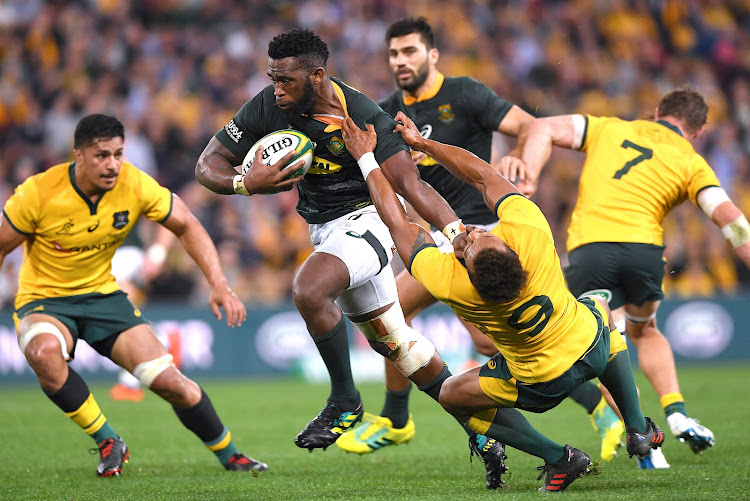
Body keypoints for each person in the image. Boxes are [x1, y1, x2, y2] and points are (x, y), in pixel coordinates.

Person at [194, 28, 508, 488]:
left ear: (317, 75)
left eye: (285, 80)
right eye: (272, 78)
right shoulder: (268, 106)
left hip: (371, 221)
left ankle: (345, 399)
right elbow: (209, 164)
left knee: (309, 288)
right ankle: (528, 447)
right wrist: (244, 183)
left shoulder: (364, 116)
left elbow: (411, 186)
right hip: (326, 231)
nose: (276, 88)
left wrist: (456, 232)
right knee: (401, 348)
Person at [339, 113, 665, 493]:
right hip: (589, 348)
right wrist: (425, 144)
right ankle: (637, 426)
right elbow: (482, 173)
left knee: (451, 395)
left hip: (541, 383)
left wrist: (366, 160)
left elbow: (399, 224)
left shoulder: (455, 285)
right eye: (479, 238)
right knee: (598, 307)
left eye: (475, 242)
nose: (474, 234)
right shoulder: (531, 235)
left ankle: (559, 456)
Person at [0, 114, 267, 477]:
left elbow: (186, 224)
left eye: (118, 154)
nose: (112, 165)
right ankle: (108, 438)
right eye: (101, 156)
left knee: (175, 386)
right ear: (77, 155)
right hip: (45, 300)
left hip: (104, 298)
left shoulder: (133, 183)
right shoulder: (38, 192)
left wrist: (219, 283)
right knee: (45, 353)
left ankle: (231, 456)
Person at [334, 17, 539, 464]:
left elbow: (529, 125)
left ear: (432, 55)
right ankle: (395, 419)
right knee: (392, 315)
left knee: (489, 342)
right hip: (438, 239)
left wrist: (523, 156)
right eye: (393, 54)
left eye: (409, 51)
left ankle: (595, 405)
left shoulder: (466, 93)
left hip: (481, 236)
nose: (400, 61)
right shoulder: (384, 111)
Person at [517, 86, 741, 459]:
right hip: (643, 252)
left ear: (656, 112)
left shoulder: (609, 128)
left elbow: (543, 128)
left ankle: (646, 444)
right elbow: (731, 222)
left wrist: (529, 177)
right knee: (645, 331)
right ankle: (677, 411)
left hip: (591, 250)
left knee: (604, 345)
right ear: (698, 131)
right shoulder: (692, 161)